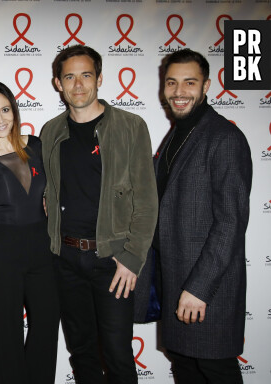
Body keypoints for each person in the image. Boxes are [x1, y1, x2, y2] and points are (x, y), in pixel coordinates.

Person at [40, 44, 158, 383]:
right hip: (65, 259)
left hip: (112, 261)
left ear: (100, 79)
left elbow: (147, 201)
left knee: (119, 355)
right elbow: (49, 188)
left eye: (86, 75)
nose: (78, 85)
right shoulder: (51, 132)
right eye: (70, 77)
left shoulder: (130, 126)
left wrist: (132, 256)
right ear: (58, 84)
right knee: (82, 353)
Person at [152, 48, 251, 383]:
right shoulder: (176, 135)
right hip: (175, 282)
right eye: (172, 83)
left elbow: (231, 222)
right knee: (185, 367)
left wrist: (199, 288)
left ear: (206, 85)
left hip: (207, 290)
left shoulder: (224, 137)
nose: (179, 92)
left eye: (189, 82)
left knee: (214, 369)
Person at [0, 81, 60, 384]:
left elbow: (57, 187)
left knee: (45, 328)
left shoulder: (35, 145)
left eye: (5, 109)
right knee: (5, 335)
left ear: (14, 109)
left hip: (44, 249)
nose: (0, 119)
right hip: (5, 252)